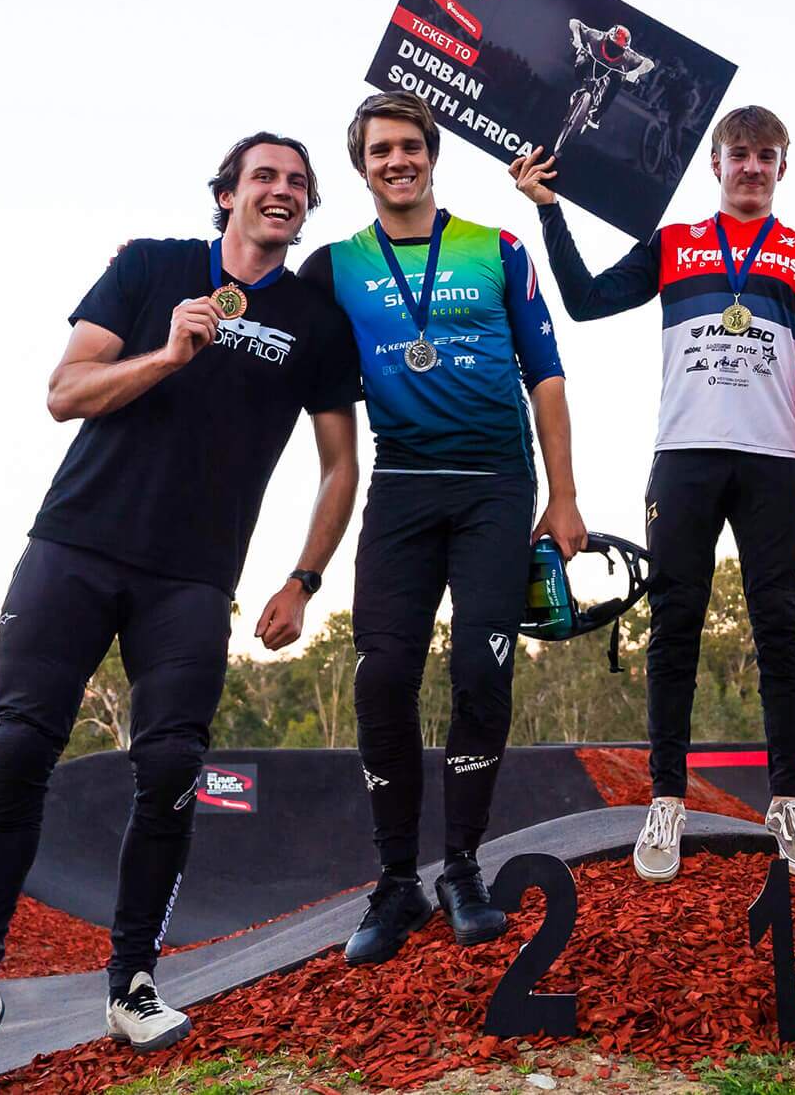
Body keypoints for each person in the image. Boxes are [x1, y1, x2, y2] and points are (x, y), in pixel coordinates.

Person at [0, 134, 362, 1093]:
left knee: (170, 767)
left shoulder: (316, 321)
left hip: (193, 578)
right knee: (17, 754)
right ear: (226, 196)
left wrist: (305, 579)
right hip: (76, 547)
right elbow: (64, 392)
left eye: (297, 184)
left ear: (306, 207)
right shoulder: (150, 265)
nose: (281, 192)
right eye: (264, 178)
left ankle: (133, 982)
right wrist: (167, 354)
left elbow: (339, 465)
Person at [507, 105, 795, 883]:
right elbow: (587, 300)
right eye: (738, 155)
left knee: (780, 627)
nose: (752, 167)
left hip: (772, 462)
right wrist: (549, 212)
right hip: (683, 459)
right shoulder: (676, 244)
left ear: (782, 169)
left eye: (766, 156)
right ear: (714, 166)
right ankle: (666, 799)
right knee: (675, 626)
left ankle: (787, 798)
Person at [300, 91, 586, 966]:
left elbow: (545, 376)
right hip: (400, 489)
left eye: (411, 146)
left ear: (432, 154)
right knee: (382, 678)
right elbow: (256, 300)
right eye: (381, 149)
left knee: (478, 676)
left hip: (496, 491)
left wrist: (564, 496)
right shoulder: (333, 266)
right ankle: (396, 882)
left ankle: (462, 868)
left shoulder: (496, 249)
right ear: (362, 164)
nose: (398, 161)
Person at [557, 18, 655, 145]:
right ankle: (580, 86)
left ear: (624, 49)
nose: (614, 49)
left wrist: (636, 72)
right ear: (606, 39)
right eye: (612, 45)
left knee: (618, 82)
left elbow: (649, 64)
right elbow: (574, 22)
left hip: (613, 70)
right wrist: (577, 39)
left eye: (618, 48)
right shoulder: (596, 36)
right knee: (581, 60)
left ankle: (597, 116)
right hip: (593, 61)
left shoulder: (628, 55)